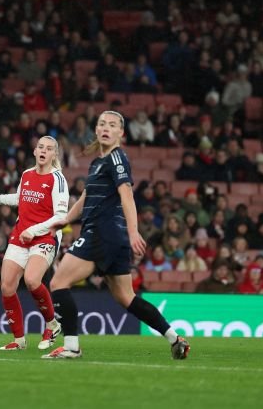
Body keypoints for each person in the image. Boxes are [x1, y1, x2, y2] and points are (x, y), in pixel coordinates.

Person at [42, 111, 190, 360]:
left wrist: (134, 232)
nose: (106, 128)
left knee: (58, 283)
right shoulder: (98, 162)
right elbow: (88, 197)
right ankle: (175, 338)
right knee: (126, 298)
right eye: (101, 124)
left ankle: (71, 347)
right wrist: (66, 220)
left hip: (103, 232)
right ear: (96, 130)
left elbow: (127, 195)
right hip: (111, 236)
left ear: (121, 133)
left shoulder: (116, 158)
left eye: (112, 125)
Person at [0, 135, 67, 352]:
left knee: (32, 280)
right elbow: (18, 199)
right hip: (20, 234)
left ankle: (52, 325)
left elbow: (61, 216)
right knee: (6, 286)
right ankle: (19, 340)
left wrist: (33, 230)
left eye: (49, 148)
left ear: (54, 154)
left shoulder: (58, 179)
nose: (44, 150)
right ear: (34, 151)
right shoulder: (26, 174)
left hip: (44, 237)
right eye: (40, 146)